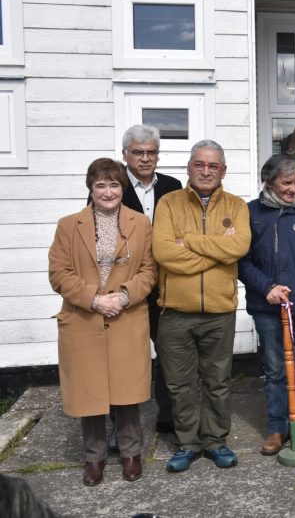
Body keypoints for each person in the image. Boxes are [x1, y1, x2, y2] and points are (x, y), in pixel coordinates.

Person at [48, 158, 157, 486]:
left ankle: (131, 453)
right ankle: (93, 458)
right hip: (84, 319)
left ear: (122, 188)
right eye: (100, 185)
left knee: (126, 392)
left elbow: (149, 271)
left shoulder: (141, 223)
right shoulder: (68, 225)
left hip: (126, 316)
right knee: (89, 392)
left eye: (114, 185)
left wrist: (122, 297)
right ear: (90, 188)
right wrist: (95, 299)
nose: (108, 192)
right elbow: (58, 273)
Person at [152, 140, 251, 473]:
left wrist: (190, 242)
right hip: (176, 313)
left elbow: (238, 246)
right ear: (189, 168)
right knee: (180, 384)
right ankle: (188, 443)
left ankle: (215, 440)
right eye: (199, 164)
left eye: (213, 166)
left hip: (219, 313)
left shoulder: (237, 206)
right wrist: (216, 252)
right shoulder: (168, 203)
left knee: (217, 381)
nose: (206, 171)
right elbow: (164, 253)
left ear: (223, 170)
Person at [239, 154, 295, 455]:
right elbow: (243, 261)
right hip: (267, 309)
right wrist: (268, 287)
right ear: (269, 182)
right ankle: (277, 427)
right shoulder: (252, 213)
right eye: (286, 183)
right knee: (276, 368)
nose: (293, 189)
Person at [118, 125, 182, 435]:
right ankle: (121, 426)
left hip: (163, 285)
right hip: (126, 285)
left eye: (151, 152)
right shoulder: (112, 185)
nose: (145, 158)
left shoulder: (172, 185)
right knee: (125, 356)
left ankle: (167, 416)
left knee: (168, 351)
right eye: (138, 152)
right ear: (125, 155)